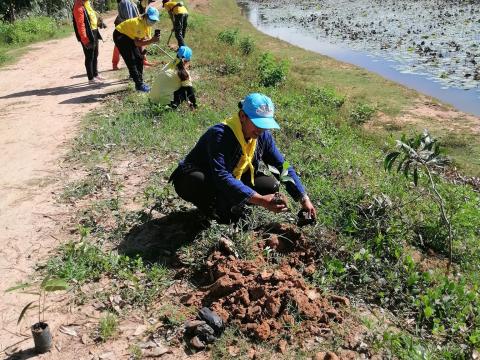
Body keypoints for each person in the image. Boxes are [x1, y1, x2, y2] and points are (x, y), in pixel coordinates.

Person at [169, 93, 317, 223]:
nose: (261, 130)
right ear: (242, 116)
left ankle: (229, 204)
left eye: (265, 125)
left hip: (233, 177)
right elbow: (221, 176)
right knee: (198, 183)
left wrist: (303, 198)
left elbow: (282, 166)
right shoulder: (220, 135)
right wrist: (260, 200)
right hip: (201, 177)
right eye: (257, 124)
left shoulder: (263, 136)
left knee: (269, 186)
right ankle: (211, 210)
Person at [113, 7, 161, 92]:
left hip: (130, 37)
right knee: (131, 60)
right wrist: (151, 40)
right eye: (151, 19)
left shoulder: (147, 25)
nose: (153, 22)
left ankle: (140, 82)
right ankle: (139, 85)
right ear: (146, 16)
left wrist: (142, 54)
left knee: (139, 58)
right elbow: (137, 43)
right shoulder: (138, 24)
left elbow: (142, 40)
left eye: (154, 20)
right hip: (120, 36)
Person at [73, 0, 105, 83]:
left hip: (94, 31)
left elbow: (91, 15)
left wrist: (99, 22)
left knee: (95, 54)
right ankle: (91, 78)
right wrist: (85, 40)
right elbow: (80, 25)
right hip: (87, 34)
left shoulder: (87, 3)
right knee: (89, 56)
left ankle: (96, 74)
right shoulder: (78, 6)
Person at [112, 0, 139, 70]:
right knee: (121, 45)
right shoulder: (125, 2)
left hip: (126, 26)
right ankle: (115, 63)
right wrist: (131, 29)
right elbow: (128, 17)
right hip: (126, 27)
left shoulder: (128, 1)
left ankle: (142, 60)